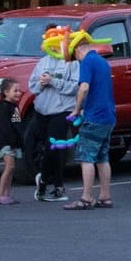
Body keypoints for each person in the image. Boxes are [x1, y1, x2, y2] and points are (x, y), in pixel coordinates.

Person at [28, 26, 80, 202]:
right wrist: (41, 83)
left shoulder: (72, 63)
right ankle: (47, 185)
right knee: (47, 147)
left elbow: (75, 87)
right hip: (42, 110)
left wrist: (54, 81)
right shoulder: (42, 62)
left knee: (55, 146)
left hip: (61, 110)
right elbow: (33, 87)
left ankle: (51, 183)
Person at [66, 33, 116, 209]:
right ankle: (105, 196)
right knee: (102, 157)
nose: (76, 60)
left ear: (77, 50)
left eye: (75, 56)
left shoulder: (87, 62)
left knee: (86, 157)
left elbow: (84, 87)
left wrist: (77, 109)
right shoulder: (103, 62)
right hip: (108, 116)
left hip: (94, 116)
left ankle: (86, 198)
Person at [0, 78, 26, 205]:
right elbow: (4, 127)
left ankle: (6, 194)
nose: (18, 93)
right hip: (6, 143)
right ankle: (0, 195)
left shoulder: (14, 106)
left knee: (11, 168)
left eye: (19, 91)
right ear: (6, 92)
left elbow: (17, 125)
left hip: (13, 143)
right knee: (9, 166)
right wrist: (9, 142)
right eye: (15, 91)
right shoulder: (3, 107)